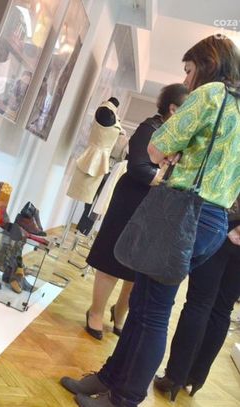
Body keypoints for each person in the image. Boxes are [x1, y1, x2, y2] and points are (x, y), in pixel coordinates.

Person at [60, 34, 240, 407]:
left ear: (207, 65)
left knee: (152, 309)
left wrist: (173, 153)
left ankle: (124, 397)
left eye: (189, 70)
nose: (186, 80)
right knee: (144, 301)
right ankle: (110, 378)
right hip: (213, 220)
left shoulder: (210, 95)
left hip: (183, 212)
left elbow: (156, 149)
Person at [84, 84, 189, 340]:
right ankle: (95, 312)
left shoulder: (179, 137)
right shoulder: (149, 128)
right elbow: (139, 168)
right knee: (111, 258)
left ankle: (120, 312)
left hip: (155, 206)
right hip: (130, 200)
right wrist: (166, 179)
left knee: (136, 265)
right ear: (173, 109)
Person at [154, 193, 240, 400]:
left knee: (199, 302)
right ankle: (195, 377)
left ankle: (175, 376)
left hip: (226, 220)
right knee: (222, 309)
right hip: (227, 223)